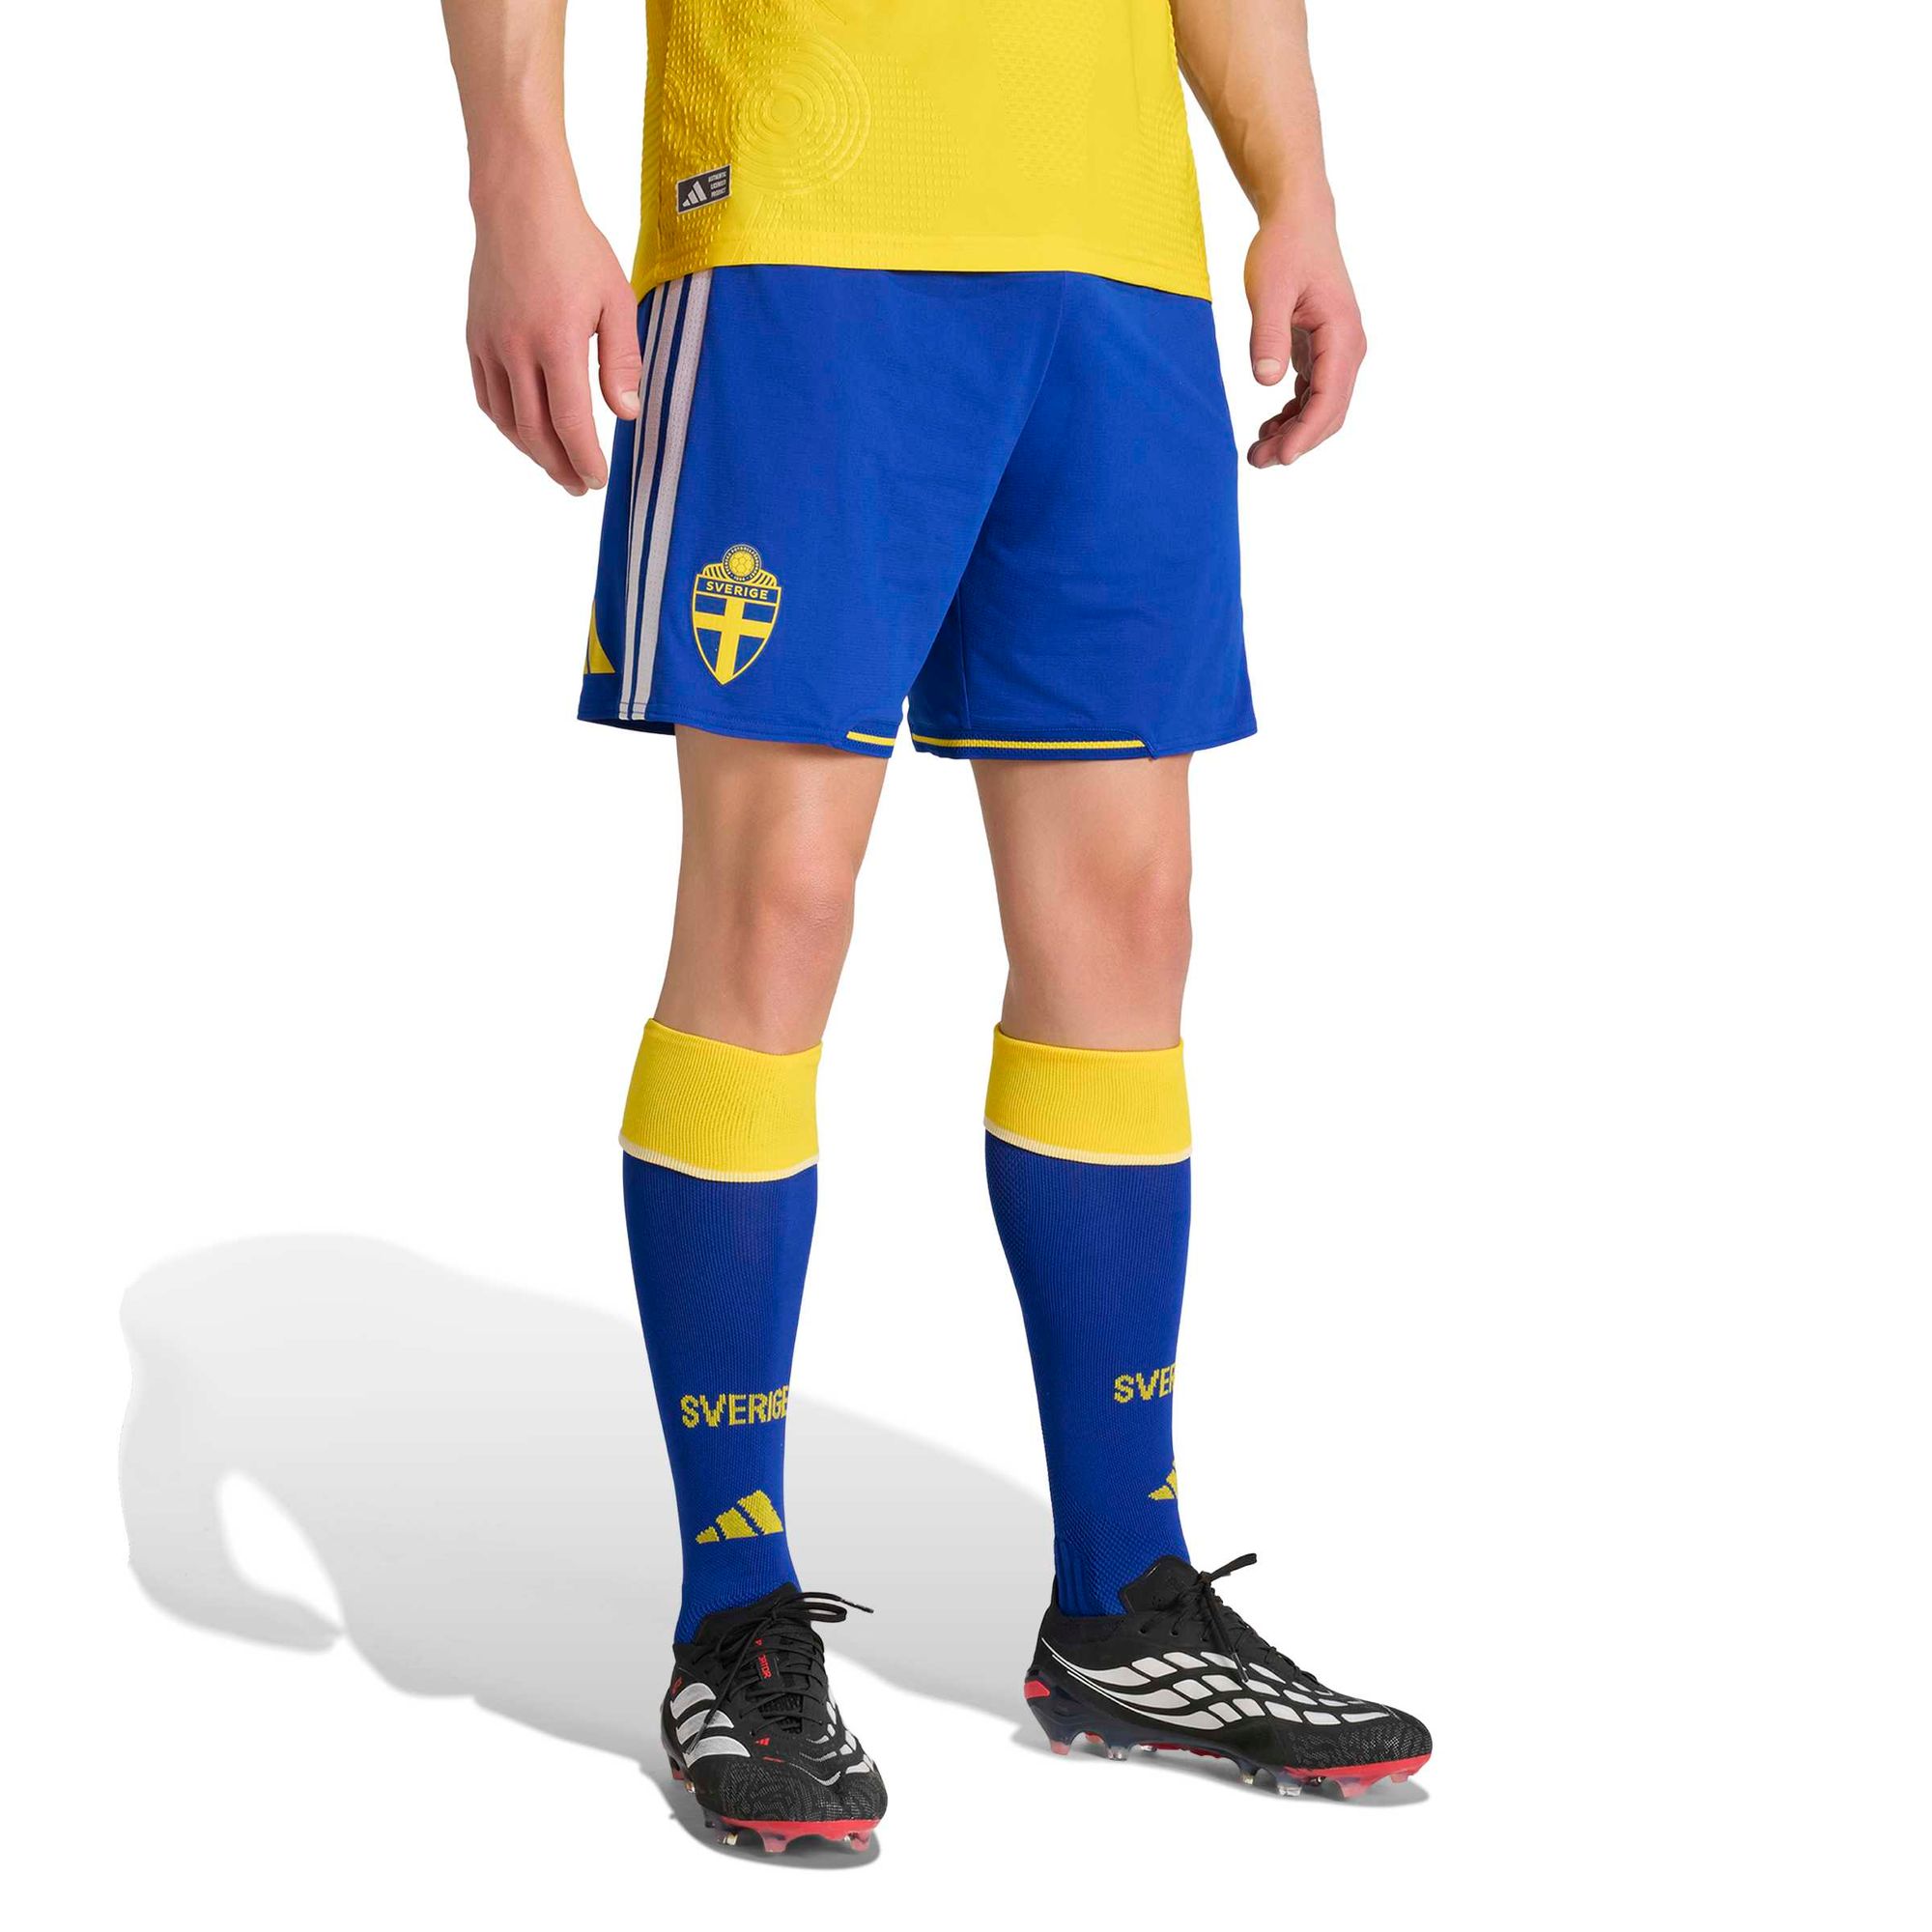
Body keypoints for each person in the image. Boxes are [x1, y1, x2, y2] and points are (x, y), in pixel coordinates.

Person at [440, 0, 1430, 1855]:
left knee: (1129, 922)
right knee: (780, 897)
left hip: (1112, 254)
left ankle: (1125, 1604)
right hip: (801, 215)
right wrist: (517, 178)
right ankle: (735, 1613)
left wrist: (1295, 186)